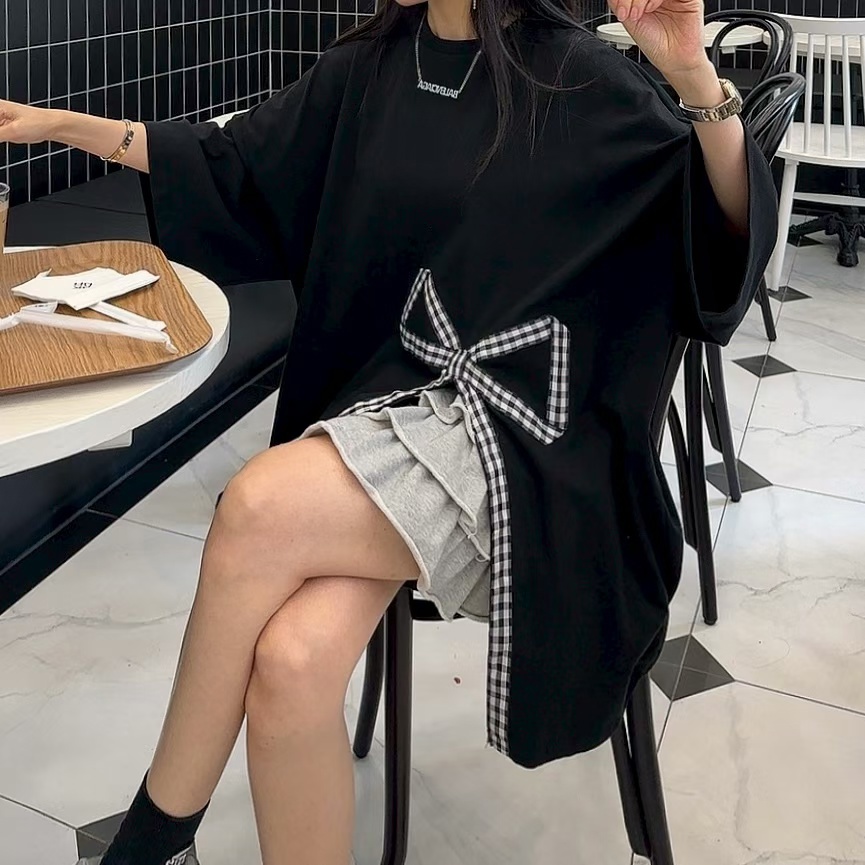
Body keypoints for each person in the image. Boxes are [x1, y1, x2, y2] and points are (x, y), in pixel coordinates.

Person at [0, 0, 778, 860]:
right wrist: (67, 127)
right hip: (384, 404)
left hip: (520, 443)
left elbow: (715, 236)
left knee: (255, 505)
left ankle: (152, 838)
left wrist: (693, 78)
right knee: (292, 663)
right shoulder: (369, 65)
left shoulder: (577, 76)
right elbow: (239, 165)